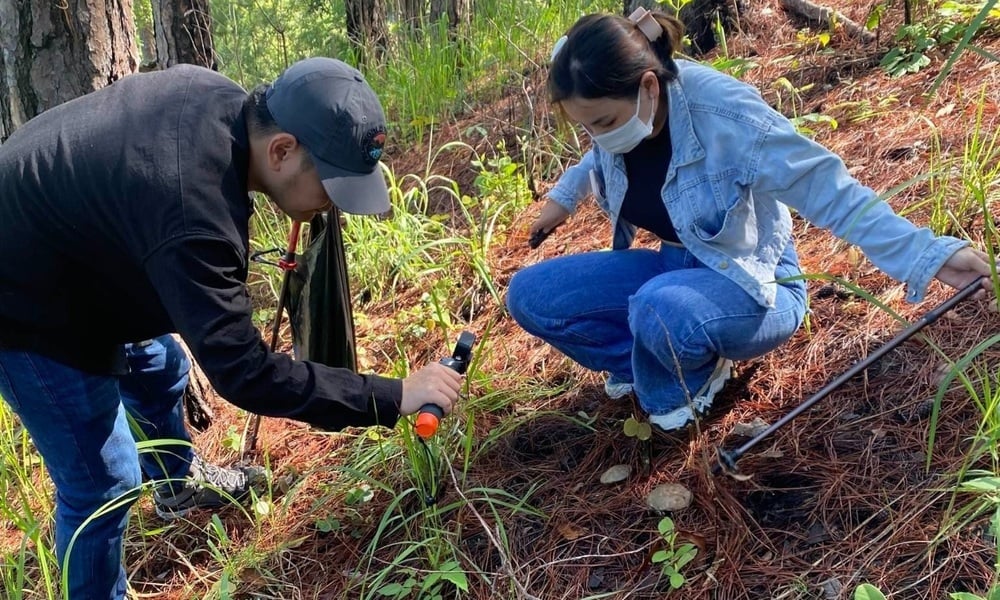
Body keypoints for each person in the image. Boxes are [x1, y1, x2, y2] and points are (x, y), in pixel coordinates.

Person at [0, 57, 464, 599]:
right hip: (23, 303)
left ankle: (176, 488)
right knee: (103, 484)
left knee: (162, 367)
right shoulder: (192, 209)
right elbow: (244, 373)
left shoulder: (221, 102)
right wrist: (394, 395)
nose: (331, 206)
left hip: (76, 258)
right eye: (331, 186)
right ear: (282, 151)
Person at [506, 9, 994, 433]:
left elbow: (829, 188)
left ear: (648, 87)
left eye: (604, 123)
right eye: (585, 126)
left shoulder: (725, 114)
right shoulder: (618, 110)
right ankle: (664, 355)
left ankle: (685, 376)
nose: (596, 136)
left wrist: (928, 255)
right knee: (532, 297)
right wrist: (564, 198)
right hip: (674, 269)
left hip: (754, 281)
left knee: (659, 310)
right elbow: (598, 155)